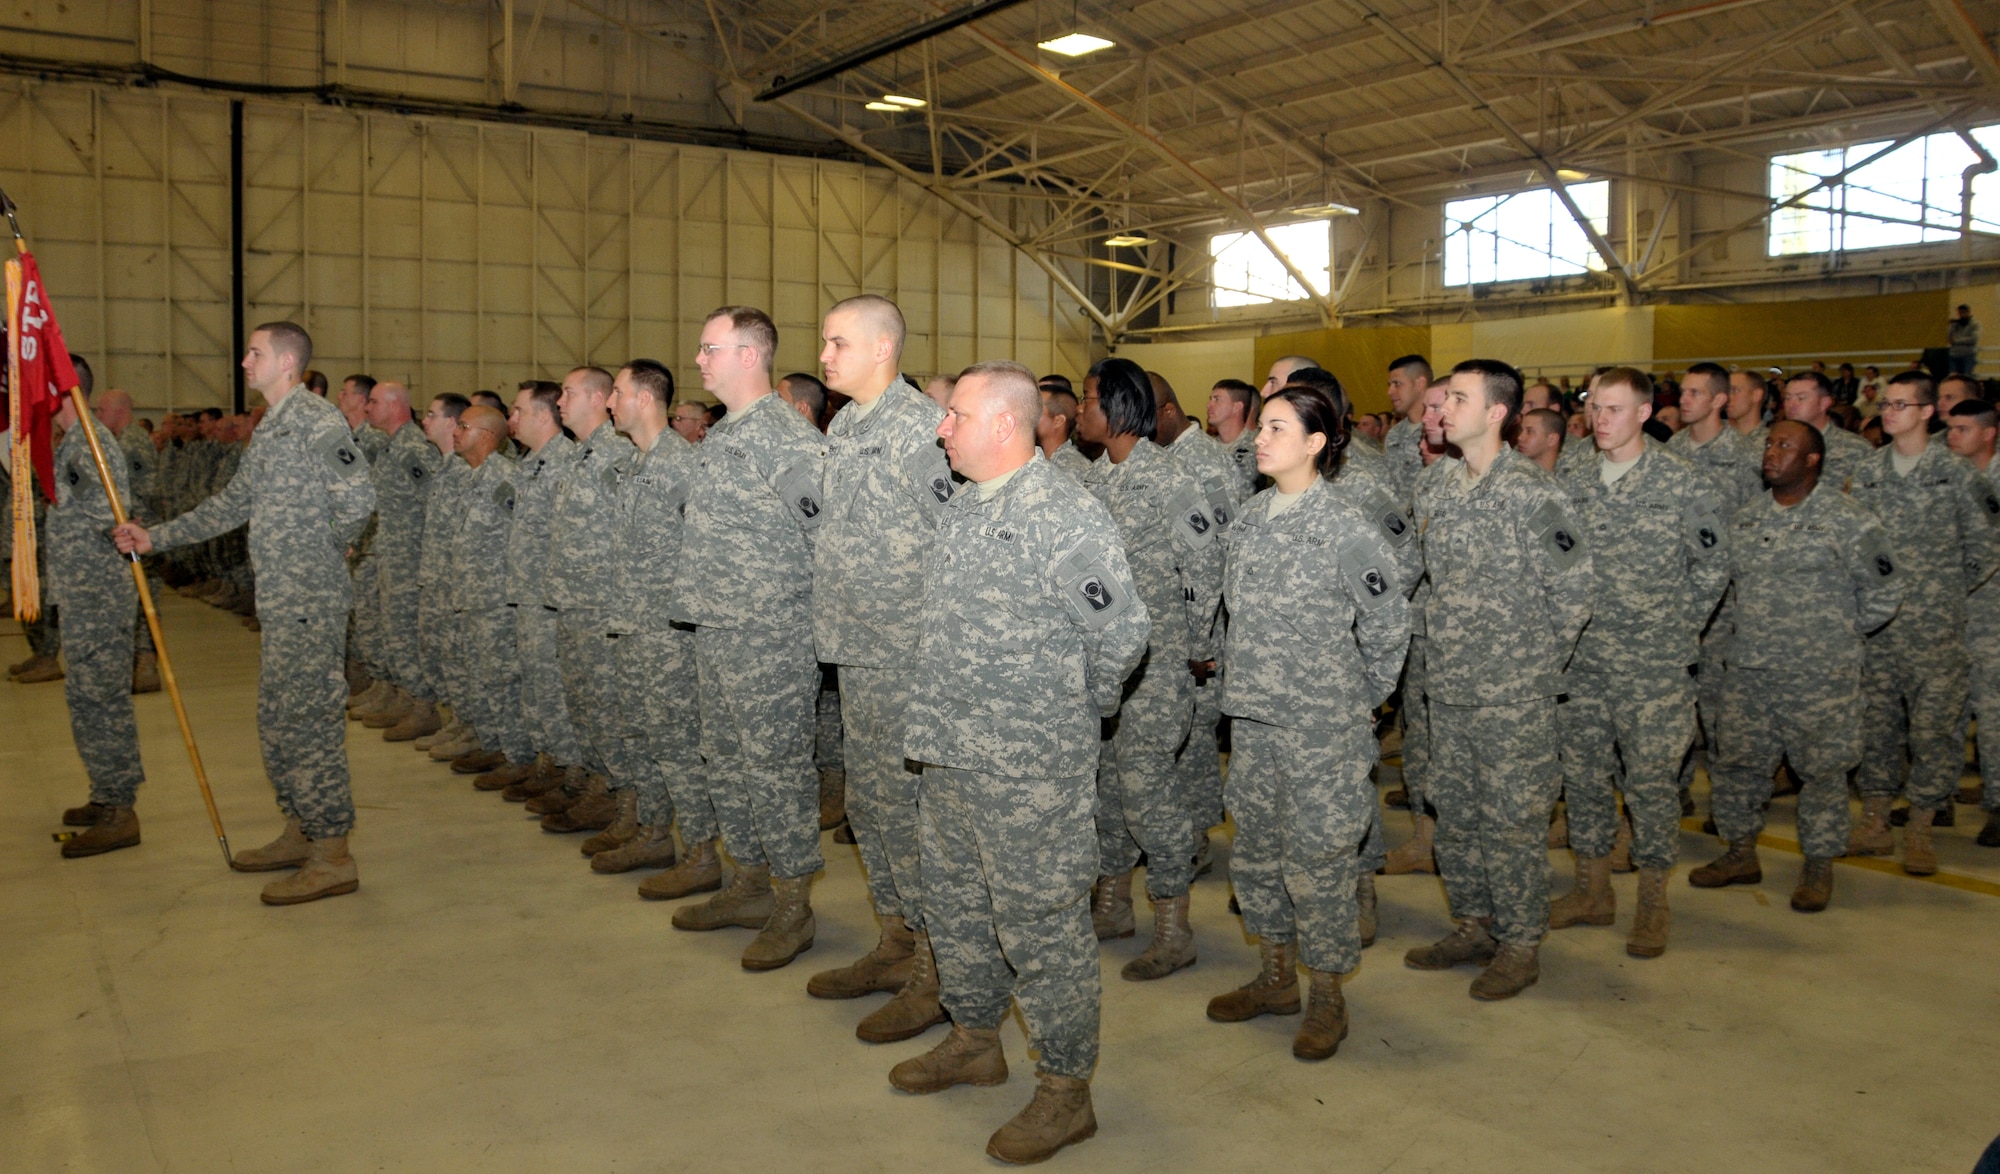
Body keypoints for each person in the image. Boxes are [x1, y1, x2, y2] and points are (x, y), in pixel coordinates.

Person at [891, 360, 1147, 1165]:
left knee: (1041, 928)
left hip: (1030, 769)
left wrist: (1075, 714)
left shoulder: (1063, 515)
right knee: (958, 908)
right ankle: (974, 1039)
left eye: (954, 415)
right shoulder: (966, 508)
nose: (941, 428)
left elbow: (1123, 634)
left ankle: (1067, 1091)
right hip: (952, 752)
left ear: (1004, 424)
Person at [113, 322, 377, 905]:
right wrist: (156, 538)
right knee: (279, 719)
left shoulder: (315, 421)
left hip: (308, 598)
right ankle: (300, 828)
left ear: (286, 362)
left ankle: (333, 852)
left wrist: (328, 549)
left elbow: (358, 497)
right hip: (281, 599)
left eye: (254, 352)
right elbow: (236, 502)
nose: (243, 361)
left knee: (311, 724)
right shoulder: (272, 428)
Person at [1206, 381, 1407, 1059]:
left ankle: (1326, 993)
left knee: (1319, 863)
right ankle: (1274, 978)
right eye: (1260, 427)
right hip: (1256, 723)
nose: (1259, 439)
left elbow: (1388, 626)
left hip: (1323, 730)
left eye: (1277, 428)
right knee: (1259, 856)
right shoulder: (1249, 522)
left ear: (1317, 442)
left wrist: (1359, 702)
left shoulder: (1348, 527)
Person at [1405, 359, 1591, 999]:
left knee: (1511, 820)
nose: (1443, 408)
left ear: (1496, 413)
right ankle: (1475, 924)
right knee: (1454, 813)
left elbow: (1575, 593)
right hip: (1447, 687)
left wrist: (1529, 666)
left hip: (1513, 695)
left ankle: (1519, 942)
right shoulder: (1436, 489)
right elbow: (1421, 580)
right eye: (1442, 398)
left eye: (1458, 398)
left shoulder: (1534, 493)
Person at [805, 294, 954, 1041]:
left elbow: (956, 538)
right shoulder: (847, 424)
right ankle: (896, 940)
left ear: (882, 349)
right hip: (856, 653)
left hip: (907, 655)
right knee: (871, 808)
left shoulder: (922, 430)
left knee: (912, 813)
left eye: (837, 342)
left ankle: (937, 967)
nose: (824, 356)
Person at [668, 306, 828, 972]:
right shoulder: (727, 433)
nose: (699, 360)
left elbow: (827, 534)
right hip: (719, 627)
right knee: (726, 762)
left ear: (748, 355)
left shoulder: (785, 439)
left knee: (776, 770)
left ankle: (793, 904)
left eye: (710, 348)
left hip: (771, 636)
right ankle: (749, 883)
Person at [1550, 368, 1728, 958]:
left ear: (1645, 413)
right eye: (1594, 407)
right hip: (1582, 661)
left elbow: (1712, 568)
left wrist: (1676, 629)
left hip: (1651, 667)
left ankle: (1653, 901)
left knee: (1650, 785)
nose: (1600, 419)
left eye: (1614, 410)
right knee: (1583, 778)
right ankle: (1592, 891)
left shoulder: (1682, 481)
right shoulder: (1573, 470)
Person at [1691, 422, 1904, 910]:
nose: (1771, 452)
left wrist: (1837, 636)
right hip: (1749, 670)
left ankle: (1819, 863)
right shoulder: (1745, 519)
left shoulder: (1849, 518)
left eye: (1786, 446)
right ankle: (1741, 851)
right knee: (1739, 764)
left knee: (1823, 770)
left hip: (1820, 676)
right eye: (1769, 444)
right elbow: (1729, 590)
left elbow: (1886, 588)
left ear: (1813, 460)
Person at [1075, 358, 1224, 980]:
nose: (1081, 411)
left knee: (1144, 789)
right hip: (1109, 666)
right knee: (1107, 788)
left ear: (1116, 407)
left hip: (1159, 667)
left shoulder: (1170, 479)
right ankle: (1112, 904)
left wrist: (1195, 643)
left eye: (1088, 400)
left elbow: (1208, 561)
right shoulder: (1093, 480)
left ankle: (1174, 922)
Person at [1846, 371, 2000, 874]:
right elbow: (1856, 549)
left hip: (1935, 630)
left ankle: (1920, 827)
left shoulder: (1957, 473)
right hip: (1879, 630)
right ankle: (1874, 822)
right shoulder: (1867, 473)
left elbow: (1985, 544)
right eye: (1886, 404)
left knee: (1935, 730)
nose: (1888, 412)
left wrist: (1948, 591)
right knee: (1876, 726)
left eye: (1900, 405)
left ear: (1927, 412)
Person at [593, 360, 705, 876]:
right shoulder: (636, 465)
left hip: (667, 635)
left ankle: (701, 852)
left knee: (677, 744)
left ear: (643, 398)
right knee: (640, 735)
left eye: (616, 392)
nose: (609, 402)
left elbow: (705, 550)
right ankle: (655, 833)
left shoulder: (681, 466)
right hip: (632, 626)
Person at [536, 368, 638, 835]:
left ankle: (629, 805)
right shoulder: (583, 455)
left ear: (598, 398)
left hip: (602, 606)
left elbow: (632, 531)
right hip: (574, 603)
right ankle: (601, 786)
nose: (559, 400)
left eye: (569, 393)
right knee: (584, 703)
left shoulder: (616, 455)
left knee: (608, 707)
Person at [50, 378, 147, 857]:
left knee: (102, 699)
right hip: (82, 592)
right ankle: (105, 792)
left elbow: (108, 514)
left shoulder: (90, 443)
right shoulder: (72, 442)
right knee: (86, 697)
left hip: (100, 594)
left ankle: (120, 810)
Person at [1150, 369, 1241, 873]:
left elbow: (1225, 546)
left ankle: (1197, 834)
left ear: (1166, 411)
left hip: (1206, 624)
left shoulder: (1205, 461)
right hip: (1177, 623)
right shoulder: (1166, 458)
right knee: (1177, 737)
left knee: (1196, 737)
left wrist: (1203, 635)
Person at [494, 382, 586, 806]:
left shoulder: (566, 462)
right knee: (536, 683)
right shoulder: (532, 463)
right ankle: (548, 759)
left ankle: (572, 771)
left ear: (542, 416)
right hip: (528, 594)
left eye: (518, 409)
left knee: (554, 687)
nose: (510, 419)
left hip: (550, 598)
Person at [351, 381, 438, 730]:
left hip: (409, 560)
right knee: (391, 630)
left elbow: (432, 504)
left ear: (394, 405)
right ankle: (394, 690)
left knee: (405, 632)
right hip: (389, 555)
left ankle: (421, 705)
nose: (367, 408)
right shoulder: (390, 448)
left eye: (373, 402)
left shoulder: (413, 449)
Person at [1945, 398, 2000, 844]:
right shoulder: (1946, 477)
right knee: (1948, 709)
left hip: (1992, 616)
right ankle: (1937, 797)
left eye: (1963, 429)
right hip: (1949, 615)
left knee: (1994, 711)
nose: (1952, 436)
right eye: (1950, 428)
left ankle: (1999, 804)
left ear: (1988, 433)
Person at [1782, 370, 1872, 492]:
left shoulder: (1857, 448)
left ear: (1825, 403)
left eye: (1801, 398)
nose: (1791, 404)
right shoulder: (1775, 446)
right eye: (1787, 398)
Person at [1383, 355, 1430, 500]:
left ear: (1420, 383)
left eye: (1397, 384)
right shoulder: (1394, 434)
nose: (1390, 391)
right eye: (1389, 385)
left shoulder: (1440, 431)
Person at [1206, 378, 1260, 496]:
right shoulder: (1207, 448)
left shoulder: (1257, 445)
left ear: (1236, 407)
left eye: (1217, 399)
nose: (1209, 405)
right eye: (1210, 399)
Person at [1036, 383, 1093, 476]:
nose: (1028, 416)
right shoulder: (1037, 458)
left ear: (1058, 421)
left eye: (1036, 410)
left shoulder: (1073, 468)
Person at [1514, 407, 1564, 473]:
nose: (1520, 437)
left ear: (1552, 440)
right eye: (1520, 430)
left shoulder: (1572, 475)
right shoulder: (1511, 469)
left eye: (1529, 432)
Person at [1951, 304, 1981, 376]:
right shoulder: (1955, 324)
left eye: (1963, 312)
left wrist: (1957, 341)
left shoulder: (1975, 324)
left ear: (1968, 312)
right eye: (1960, 313)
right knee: (1954, 377)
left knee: (1967, 376)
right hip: (1954, 354)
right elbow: (1949, 338)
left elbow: (1973, 338)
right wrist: (1951, 326)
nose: (1961, 315)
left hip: (1968, 354)